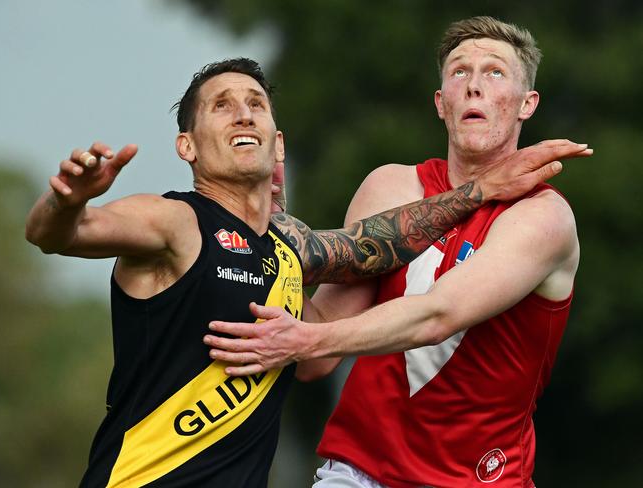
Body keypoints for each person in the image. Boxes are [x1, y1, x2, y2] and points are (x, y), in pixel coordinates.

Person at [204, 17, 591, 487]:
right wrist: (264, 222)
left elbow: (436, 316)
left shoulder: (543, 217)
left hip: (477, 480)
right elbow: (316, 356)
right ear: (440, 102)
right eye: (458, 72)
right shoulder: (390, 187)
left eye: (494, 73)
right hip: (356, 471)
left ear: (526, 104)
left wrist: (304, 340)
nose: (473, 87)